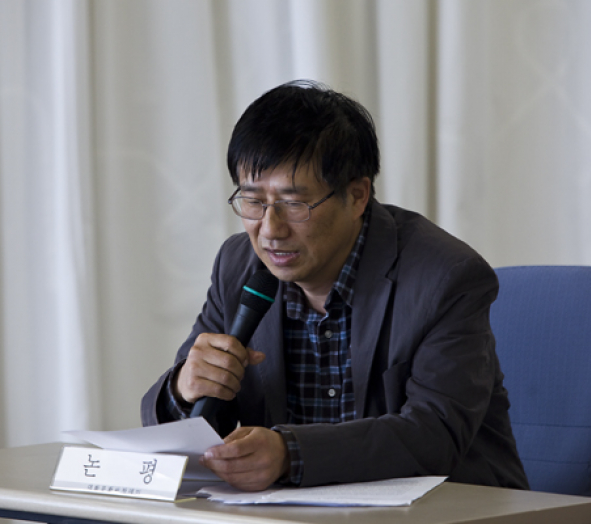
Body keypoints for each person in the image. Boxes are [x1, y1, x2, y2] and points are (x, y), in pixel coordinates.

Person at [141, 80, 529, 492]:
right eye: (253, 201)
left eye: (294, 204)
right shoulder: (238, 268)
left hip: (450, 510)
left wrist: (290, 454)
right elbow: (187, 426)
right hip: (290, 514)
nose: (270, 230)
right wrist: (184, 389)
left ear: (358, 195)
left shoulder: (445, 277)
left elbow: (433, 435)